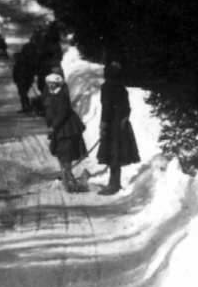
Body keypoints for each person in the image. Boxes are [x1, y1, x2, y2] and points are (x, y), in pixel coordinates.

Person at [96, 62, 140, 195]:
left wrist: (103, 125)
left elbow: (106, 108)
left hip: (112, 125)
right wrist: (124, 119)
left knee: (113, 154)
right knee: (117, 154)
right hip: (122, 124)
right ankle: (114, 182)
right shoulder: (122, 88)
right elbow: (127, 108)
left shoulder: (107, 88)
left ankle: (114, 184)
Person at [44, 73, 87, 190]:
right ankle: (65, 172)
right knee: (60, 151)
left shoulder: (62, 95)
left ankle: (68, 173)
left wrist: (53, 127)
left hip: (66, 128)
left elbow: (63, 114)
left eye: (53, 83)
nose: (51, 85)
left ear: (58, 84)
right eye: (49, 83)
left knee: (66, 152)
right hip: (58, 128)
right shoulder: (51, 95)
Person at [12, 47, 35, 115]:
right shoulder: (19, 64)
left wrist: (30, 81)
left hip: (24, 82)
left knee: (23, 95)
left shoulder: (23, 64)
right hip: (21, 82)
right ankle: (26, 107)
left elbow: (30, 73)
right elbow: (15, 73)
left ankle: (26, 107)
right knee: (23, 95)